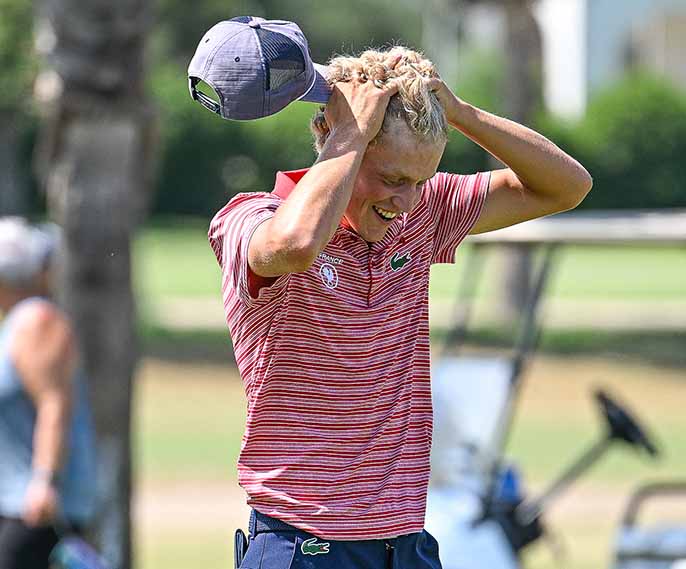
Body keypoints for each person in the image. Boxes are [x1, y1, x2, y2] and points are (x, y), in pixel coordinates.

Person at [207, 38, 592, 568]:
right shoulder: (248, 218)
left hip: (405, 546)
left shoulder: (422, 213)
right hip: (302, 546)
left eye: (421, 181)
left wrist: (460, 114)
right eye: (391, 178)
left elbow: (567, 186)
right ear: (330, 135)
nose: (405, 201)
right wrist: (350, 131)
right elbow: (294, 246)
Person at [0, 218, 97, 569]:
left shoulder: (36, 321)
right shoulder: (15, 324)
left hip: (35, 508)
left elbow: (54, 405)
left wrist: (44, 481)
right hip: (13, 502)